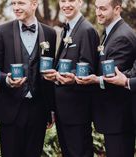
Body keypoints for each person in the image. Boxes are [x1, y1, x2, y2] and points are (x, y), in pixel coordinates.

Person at [0, 0, 57, 156]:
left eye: (21, 3)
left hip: (38, 110)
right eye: (13, 3)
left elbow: (48, 75)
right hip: (10, 109)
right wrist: (7, 79)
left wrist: (51, 109)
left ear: (34, 4)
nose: (16, 7)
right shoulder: (1, 32)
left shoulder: (50, 34)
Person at [75, 0, 136, 156]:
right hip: (113, 117)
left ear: (117, 9)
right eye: (96, 8)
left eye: (103, 9)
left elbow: (117, 77)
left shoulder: (121, 36)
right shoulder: (110, 31)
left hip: (119, 118)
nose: (97, 12)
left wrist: (95, 79)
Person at [43, 0, 99, 156]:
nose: (66, 5)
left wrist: (70, 77)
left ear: (80, 2)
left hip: (77, 110)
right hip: (63, 110)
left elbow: (88, 67)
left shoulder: (86, 30)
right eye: (63, 1)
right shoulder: (66, 30)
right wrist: (55, 74)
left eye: (71, 0)